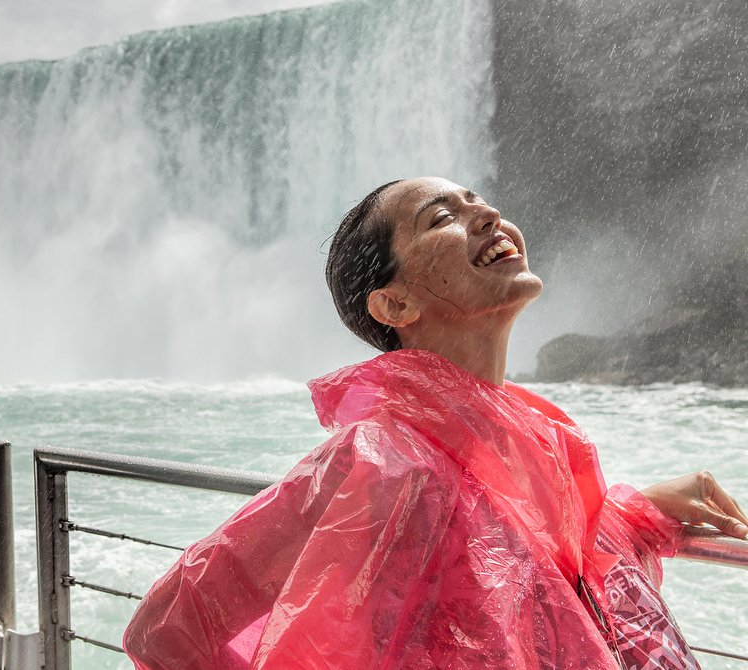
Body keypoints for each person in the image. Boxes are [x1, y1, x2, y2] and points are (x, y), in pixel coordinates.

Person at [123, 177, 748, 669]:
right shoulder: (380, 462)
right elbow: (167, 628)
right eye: (442, 218)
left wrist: (633, 512)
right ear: (395, 303)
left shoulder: (539, 436)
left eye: (480, 201)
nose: (488, 217)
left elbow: (536, 558)